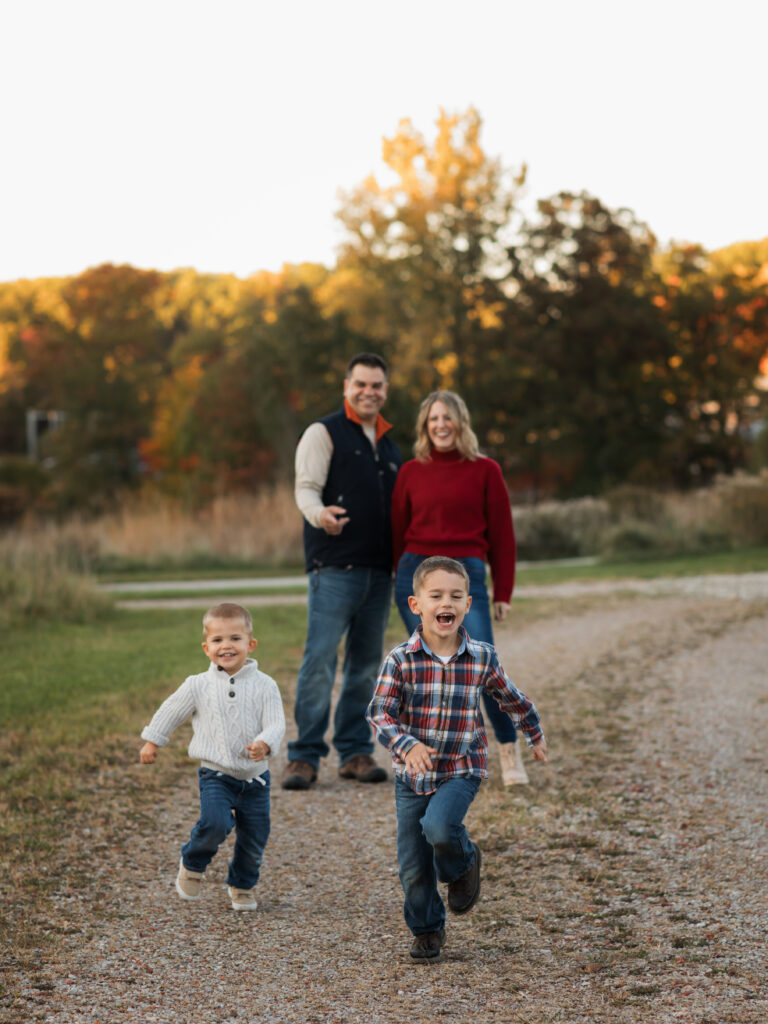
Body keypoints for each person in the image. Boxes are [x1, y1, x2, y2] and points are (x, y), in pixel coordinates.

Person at [367, 556, 547, 962]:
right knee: (413, 866)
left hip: (461, 768)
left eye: (455, 595)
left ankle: (463, 862)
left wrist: (533, 732)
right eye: (436, 595)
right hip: (411, 777)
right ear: (416, 605)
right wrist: (406, 745)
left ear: (468, 604)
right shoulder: (400, 660)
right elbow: (379, 713)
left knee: (440, 827)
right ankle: (428, 929)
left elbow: (510, 698)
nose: (445, 603)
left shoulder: (481, 656)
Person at [391, 389, 529, 787]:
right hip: (415, 571)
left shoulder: (485, 470)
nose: (440, 425)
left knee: (482, 666)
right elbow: (397, 534)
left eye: (447, 418)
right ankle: (429, 758)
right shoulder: (410, 472)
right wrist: (397, 583)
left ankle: (507, 749)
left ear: (460, 423)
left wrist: (503, 591)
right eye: (433, 419)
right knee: (425, 672)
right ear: (425, 426)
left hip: (467, 573)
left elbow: (503, 535)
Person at [283, 352, 401, 791]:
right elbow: (306, 488)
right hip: (334, 568)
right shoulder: (323, 432)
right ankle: (304, 756)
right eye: (362, 384)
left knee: (365, 665)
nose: (369, 392)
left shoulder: (390, 445)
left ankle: (354, 751)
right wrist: (319, 516)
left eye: (377, 386)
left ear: (385, 391)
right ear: (346, 386)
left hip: (380, 572)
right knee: (319, 661)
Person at [139, 602, 285, 911]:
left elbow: (276, 723)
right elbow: (171, 711)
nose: (226, 646)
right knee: (214, 822)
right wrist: (153, 741)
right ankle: (192, 861)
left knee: (255, 837)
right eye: (218, 640)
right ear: (206, 647)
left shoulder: (265, 685)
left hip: (255, 778)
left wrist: (265, 743)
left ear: (250, 644)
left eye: (235, 638)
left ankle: (242, 885)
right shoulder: (198, 685)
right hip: (216, 775)